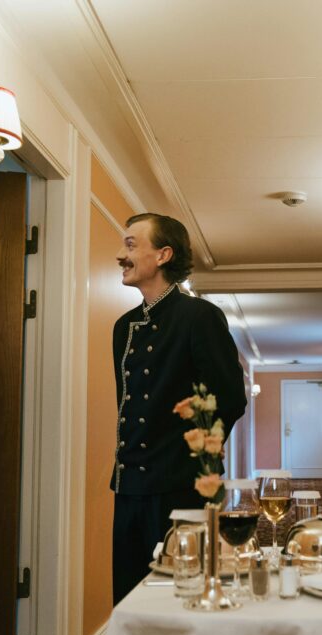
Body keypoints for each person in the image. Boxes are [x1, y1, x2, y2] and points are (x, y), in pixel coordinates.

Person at [110, 212, 247, 605]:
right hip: (129, 486)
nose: (122, 254)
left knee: (181, 600)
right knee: (130, 601)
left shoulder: (199, 317)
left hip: (180, 489)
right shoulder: (124, 326)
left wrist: (201, 456)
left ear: (163, 255)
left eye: (132, 245)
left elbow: (231, 399)